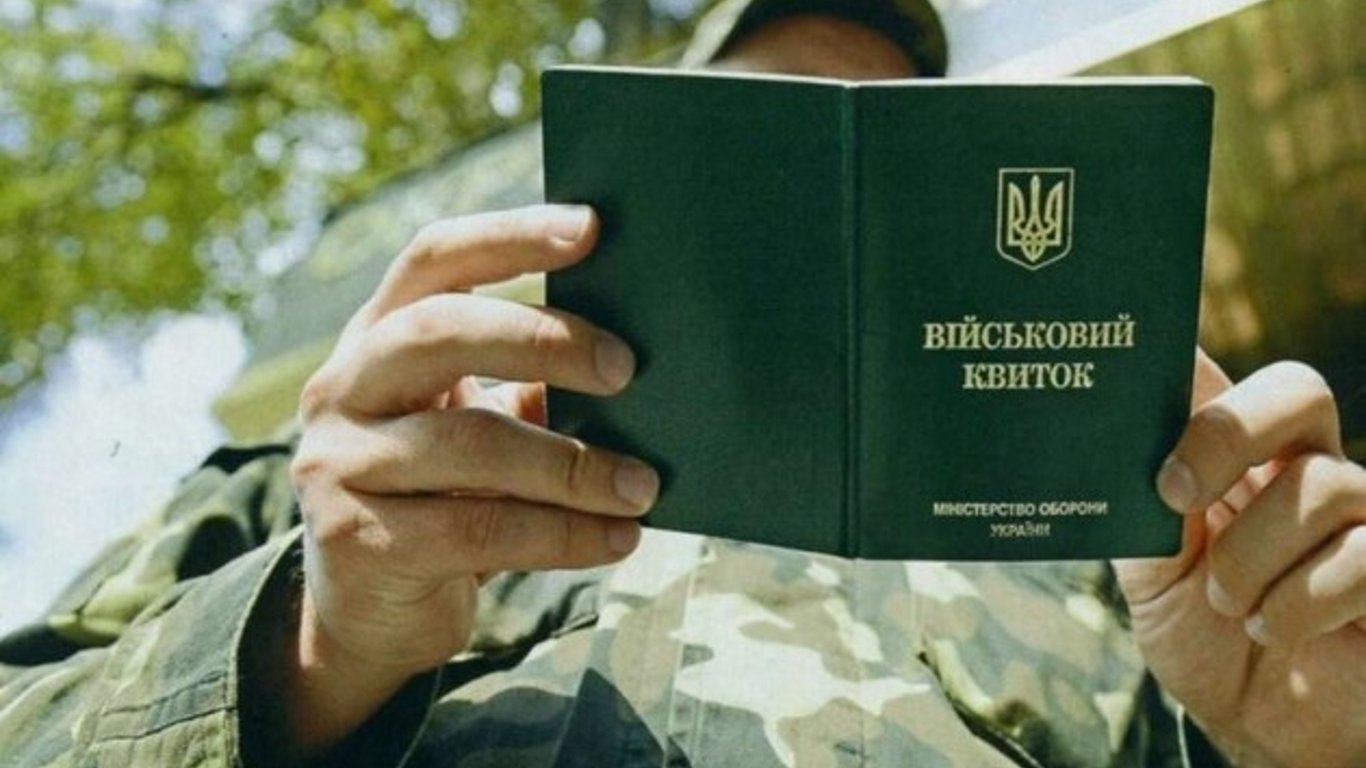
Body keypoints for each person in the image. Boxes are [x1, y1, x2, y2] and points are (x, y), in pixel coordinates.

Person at [2, 1, 1364, 766]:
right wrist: (318, 645)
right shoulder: (350, 490)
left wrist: (1297, 747)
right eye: (767, 143)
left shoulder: (1133, 554)